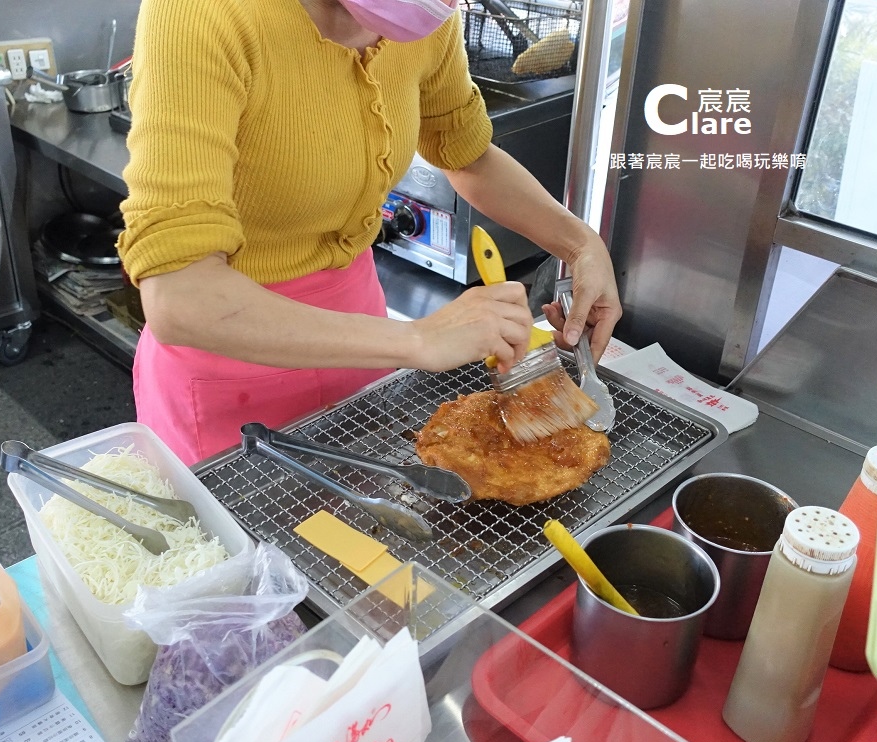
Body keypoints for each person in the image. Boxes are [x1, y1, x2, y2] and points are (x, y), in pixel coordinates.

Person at [118, 0, 622, 465]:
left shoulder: (427, 14)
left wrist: (579, 243)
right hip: (232, 362)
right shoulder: (204, 14)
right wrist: (417, 338)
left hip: (364, 345)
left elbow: (463, 148)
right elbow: (182, 297)